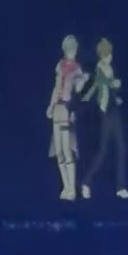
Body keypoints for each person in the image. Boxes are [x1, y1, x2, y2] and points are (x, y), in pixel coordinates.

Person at [80, 38, 128, 200]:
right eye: (107, 55)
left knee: (121, 148)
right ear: (102, 56)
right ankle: (86, 183)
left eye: (110, 54)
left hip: (114, 110)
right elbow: (101, 84)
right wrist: (113, 84)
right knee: (103, 150)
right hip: (106, 112)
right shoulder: (100, 68)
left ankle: (121, 188)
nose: (110, 57)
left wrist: (116, 95)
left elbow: (109, 88)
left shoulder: (109, 67)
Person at [47, 35, 89, 201]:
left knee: (66, 149)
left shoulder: (77, 69)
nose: (72, 51)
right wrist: (51, 106)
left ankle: (71, 188)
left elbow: (77, 92)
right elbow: (56, 87)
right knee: (59, 151)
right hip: (58, 108)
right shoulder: (60, 65)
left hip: (67, 109)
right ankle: (66, 186)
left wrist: (82, 81)